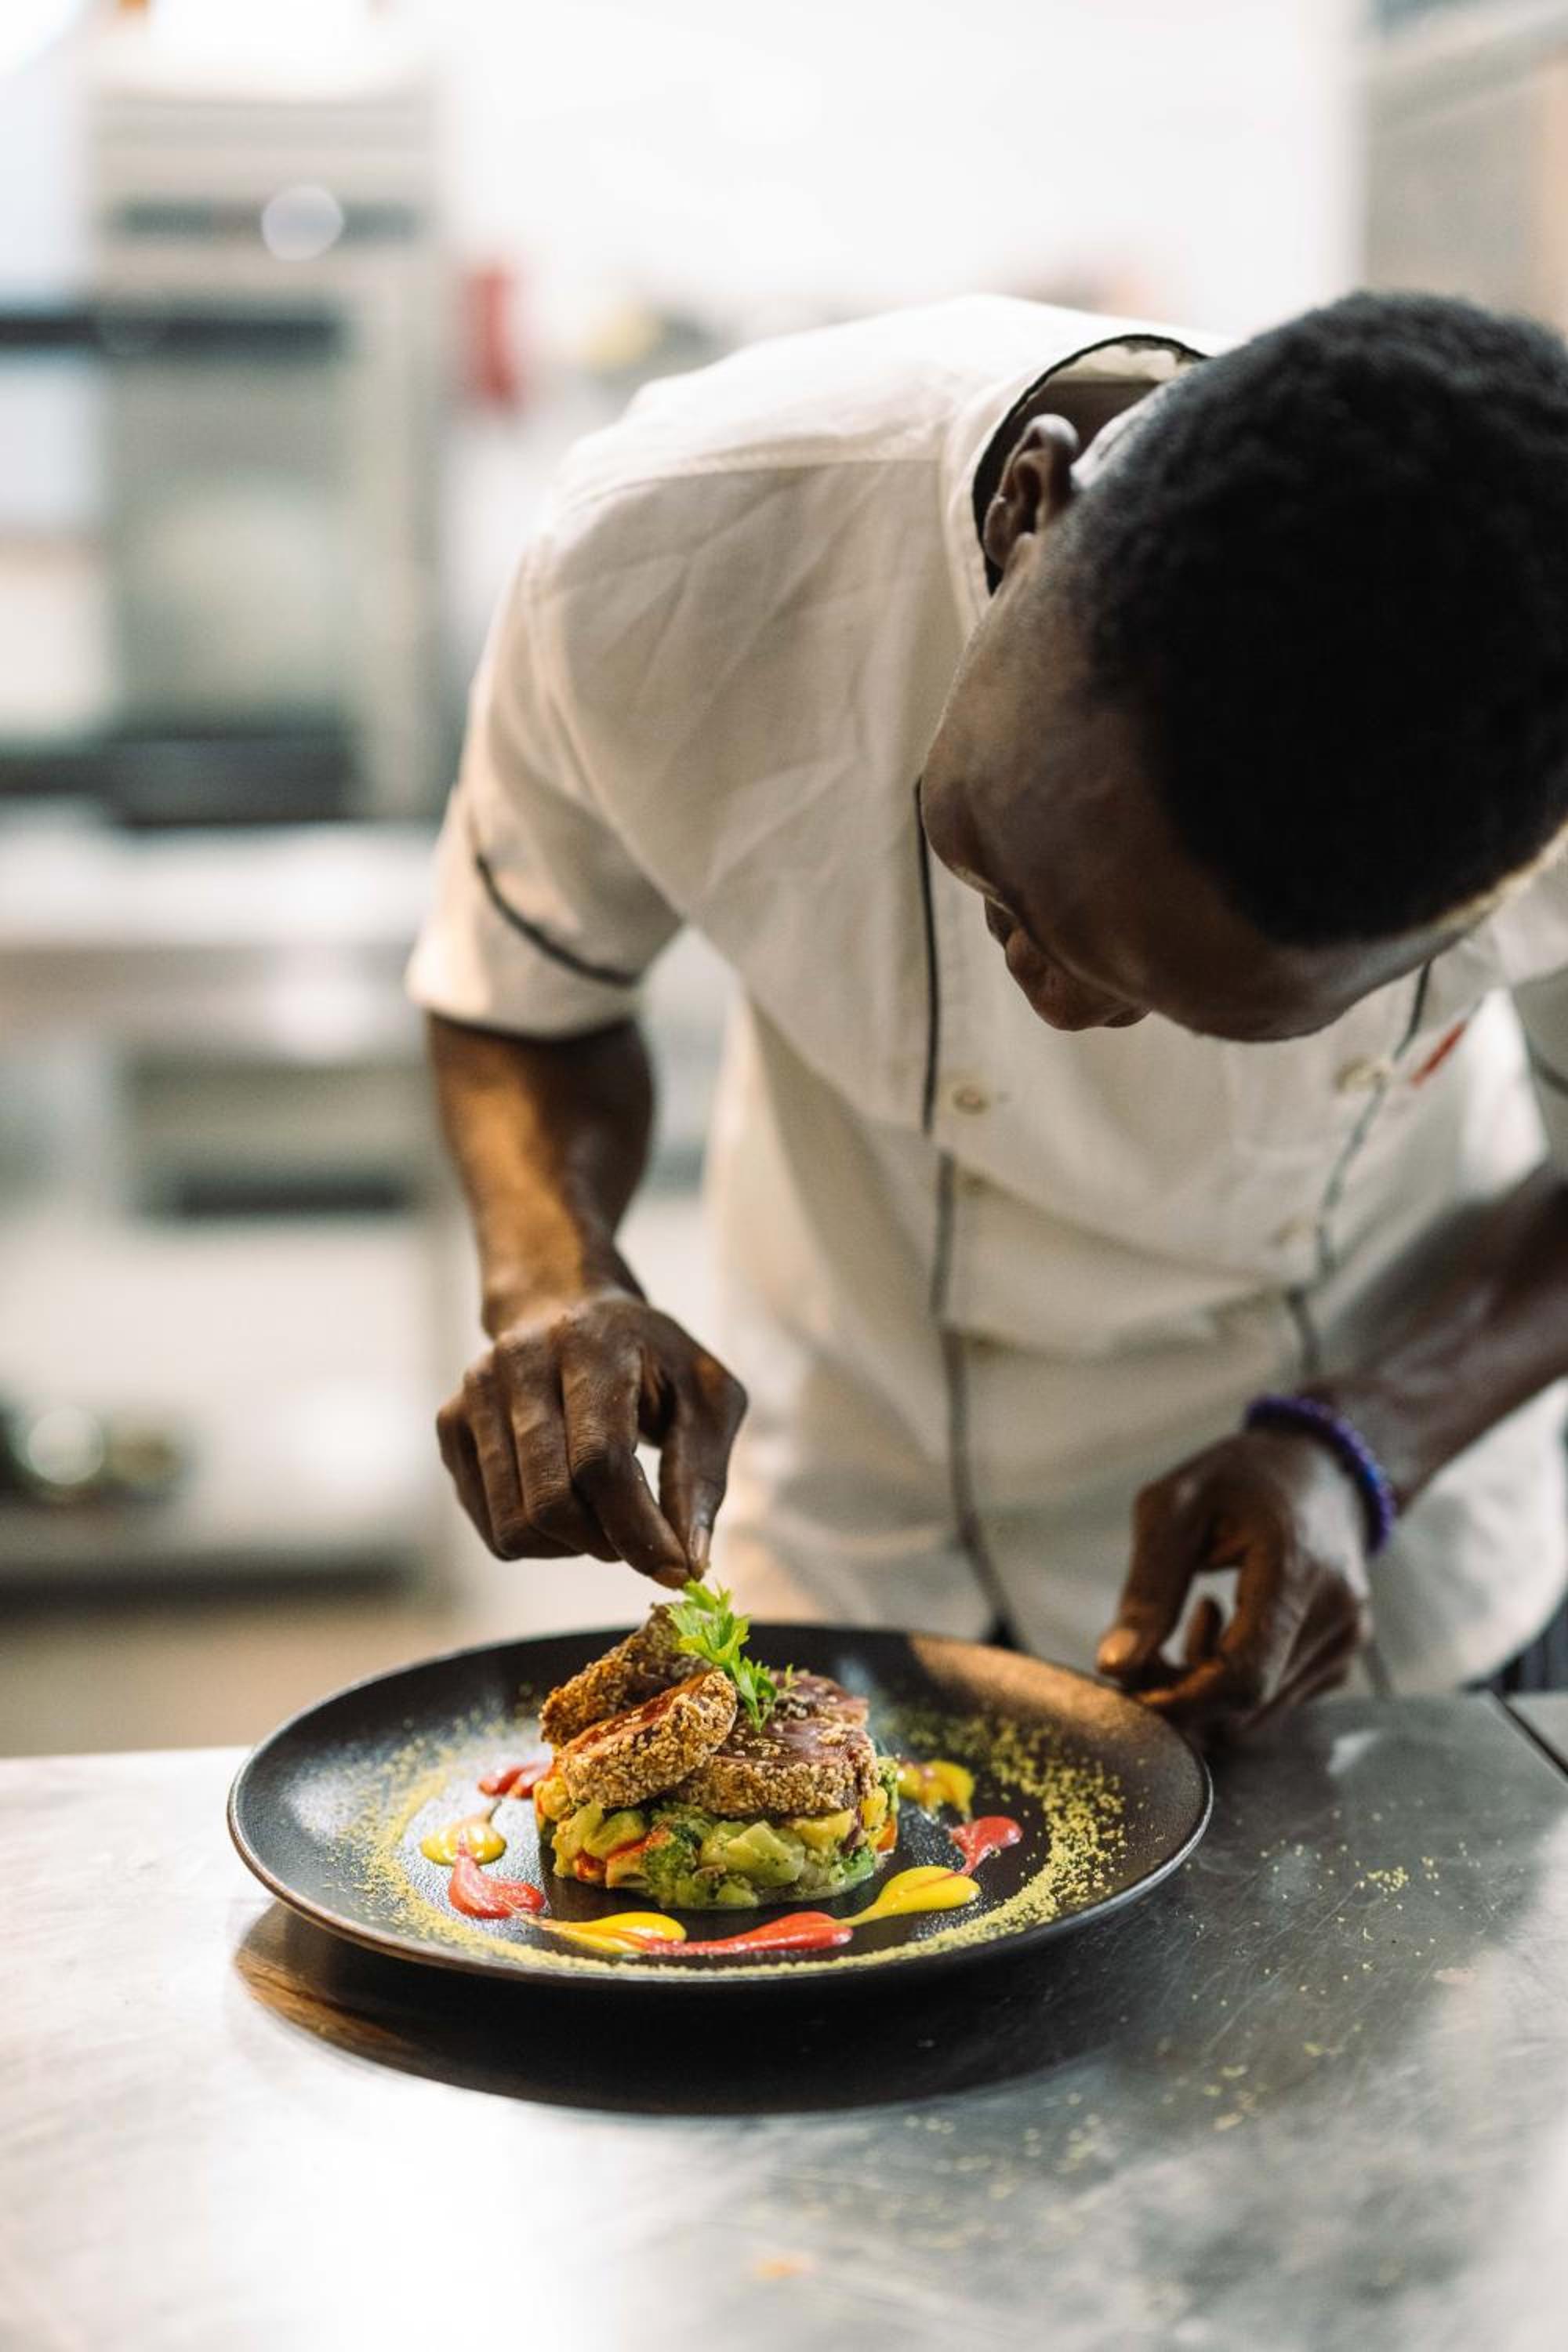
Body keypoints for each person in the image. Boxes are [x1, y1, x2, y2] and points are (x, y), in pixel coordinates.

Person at [410, 289, 1568, 1737]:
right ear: (1029, 508)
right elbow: (528, 986)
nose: (1062, 1007)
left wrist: (1365, 1440)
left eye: (1188, 1007)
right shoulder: (673, 553)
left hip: (1356, 1546)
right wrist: (553, 1276)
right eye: (1009, 885)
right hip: (859, 1488)